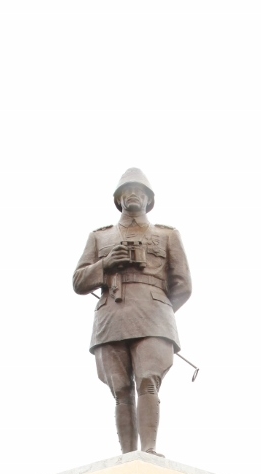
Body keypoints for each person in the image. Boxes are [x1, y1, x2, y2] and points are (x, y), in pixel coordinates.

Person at [73, 168, 192, 455]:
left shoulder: (167, 235)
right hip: (112, 317)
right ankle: (127, 457)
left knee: (149, 379)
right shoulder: (100, 238)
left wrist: (159, 309)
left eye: (140, 191)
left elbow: (183, 284)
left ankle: (148, 451)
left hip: (154, 317)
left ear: (149, 199)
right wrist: (105, 265)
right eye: (127, 191)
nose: (134, 195)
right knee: (121, 389)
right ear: (118, 199)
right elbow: (78, 281)